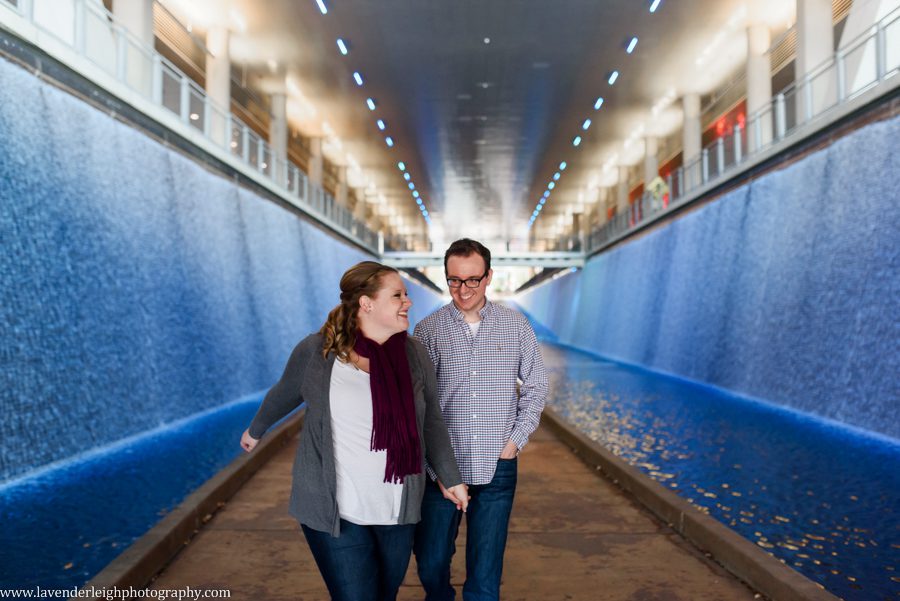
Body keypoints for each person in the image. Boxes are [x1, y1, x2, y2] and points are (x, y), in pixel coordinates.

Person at [240, 261, 469, 601]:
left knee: (383, 595)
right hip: (335, 509)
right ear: (367, 303)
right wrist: (256, 429)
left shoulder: (414, 354)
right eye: (397, 296)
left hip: (396, 509)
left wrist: (450, 477)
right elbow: (284, 391)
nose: (408, 302)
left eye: (406, 295)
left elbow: (431, 421)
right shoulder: (318, 352)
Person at [412, 239, 549, 601]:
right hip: (442, 466)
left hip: (498, 465)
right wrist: (433, 463)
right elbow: (419, 401)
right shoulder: (428, 330)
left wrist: (515, 441)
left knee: (486, 575)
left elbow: (536, 386)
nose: (463, 290)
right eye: (454, 280)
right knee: (430, 562)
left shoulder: (516, 326)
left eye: (472, 280)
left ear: (488, 276)